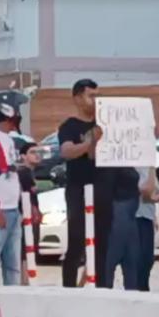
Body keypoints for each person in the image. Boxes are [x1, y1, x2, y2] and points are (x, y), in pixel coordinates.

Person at [58, 79, 113, 288]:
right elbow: (67, 151)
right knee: (77, 240)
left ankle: (101, 286)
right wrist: (90, 142)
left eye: (97, 96)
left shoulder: (104, 125)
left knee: (103, 242)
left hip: (103, 187)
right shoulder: (70, 126)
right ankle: (69, 287)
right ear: (77, 98)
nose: (95, 100)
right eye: (91, 96)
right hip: (78, 189)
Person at [104, 167, 141, 290]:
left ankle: (130, 295)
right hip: (119, 202)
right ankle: (106, 293)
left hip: (130, 204)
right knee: (114, 257)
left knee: (130, 259)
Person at [0, 99, 22, 285]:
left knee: (13, 266)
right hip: (2, 209)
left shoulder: (9, 140)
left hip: (13, 207)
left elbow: (12, 172)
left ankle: (12, 306)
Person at [135, 166, 159, 292]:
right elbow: (146, 192)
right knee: (138, 258)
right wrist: (152, 170)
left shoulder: (147, 168)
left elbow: (156, 191)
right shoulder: (133, 166)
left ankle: (143, 287)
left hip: (147, 216)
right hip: (134, 216)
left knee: (148, 258)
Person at [18, 143, 42, 285]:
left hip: (29, 217)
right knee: (26, 249)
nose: (37, 155)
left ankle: (26, 280)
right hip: (25, 218)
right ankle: (25, 282)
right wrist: (34, 210)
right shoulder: (23, 173)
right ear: (23, 156)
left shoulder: (29, 173)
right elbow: (26, 195)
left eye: (38, 152)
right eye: (32, 152)